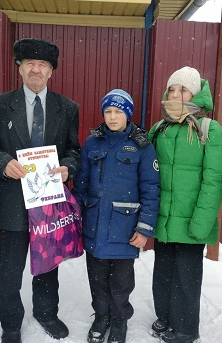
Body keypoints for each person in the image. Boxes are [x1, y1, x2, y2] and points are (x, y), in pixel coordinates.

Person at [0, 38, 81, 343]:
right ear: (19, 69)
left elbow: (74, 151)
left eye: (43, 65)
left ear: (51, 72)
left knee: (48, 262)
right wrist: (3, 162)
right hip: (14, 199)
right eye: (29, 64)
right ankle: (10, 322)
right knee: (10, 267)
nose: (36, 70)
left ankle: (47, 313)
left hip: (49, 201)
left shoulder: (67, 108)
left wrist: (67, 168)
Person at [148, 67, 222, 343]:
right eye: (172, 89)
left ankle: (185, 329)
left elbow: (213, 180)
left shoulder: (209, 130)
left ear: (196, 94)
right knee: (162, 273)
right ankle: (166, 316)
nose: (176, 95)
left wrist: (201, 223)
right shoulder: (159, 128)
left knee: (186, 279)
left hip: (192, 220)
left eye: (183, 90)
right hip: (164, 219)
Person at [72, 89, 160, 343]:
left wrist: (144, 228)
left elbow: (151, 189)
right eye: (108, 111)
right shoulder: (92, 143)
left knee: (121, 282)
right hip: (94, 224)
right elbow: (80, 184)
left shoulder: (142, 146)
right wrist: (76, 216)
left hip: (124, 227)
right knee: (97, 278)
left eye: (118, 112)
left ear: (128, 114)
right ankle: (101, 317)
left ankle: (120, 320)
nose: (112, 117)